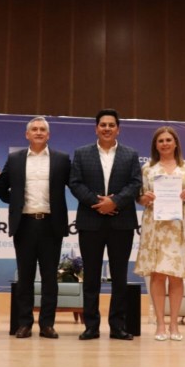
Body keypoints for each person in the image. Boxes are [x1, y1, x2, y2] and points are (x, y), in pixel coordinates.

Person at [70, 108, 142, 341]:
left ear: (118, 129)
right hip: (91, 221)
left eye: (111, 125)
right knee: (90, 276)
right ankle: (91, 326)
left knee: (119, 276)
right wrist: (98, 203)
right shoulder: (82, 153)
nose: (107, 128)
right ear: (96, 128)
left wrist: (115, 202)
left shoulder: (130, 154)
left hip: (122, 222)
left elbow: (135, 184)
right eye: (103, 125)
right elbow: (75, 183)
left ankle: (117, 326)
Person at [0, 117, 71, 339]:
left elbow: (75, 185)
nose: (38, 132)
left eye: (42, 130)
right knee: (25, 277)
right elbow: (1, 188)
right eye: (34, 129)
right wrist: (16, 201)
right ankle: (24, 324)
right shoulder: (15, 159)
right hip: (25, 224)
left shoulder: (61, 159)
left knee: (49, 278)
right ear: (27, 134)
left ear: (48, 135)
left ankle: (47, 324)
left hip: (51, 224)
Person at [135, 126, 185, 341]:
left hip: (178, 226)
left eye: (168, 140)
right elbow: (139, 198)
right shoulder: (148, 168)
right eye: (161, 141)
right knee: (157, 275)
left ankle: (174, 324)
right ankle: (160, 324)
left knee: (176, 275)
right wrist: (145, 198)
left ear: (175, 143)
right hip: (155, 226)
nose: (165, 144)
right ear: (155, 145)